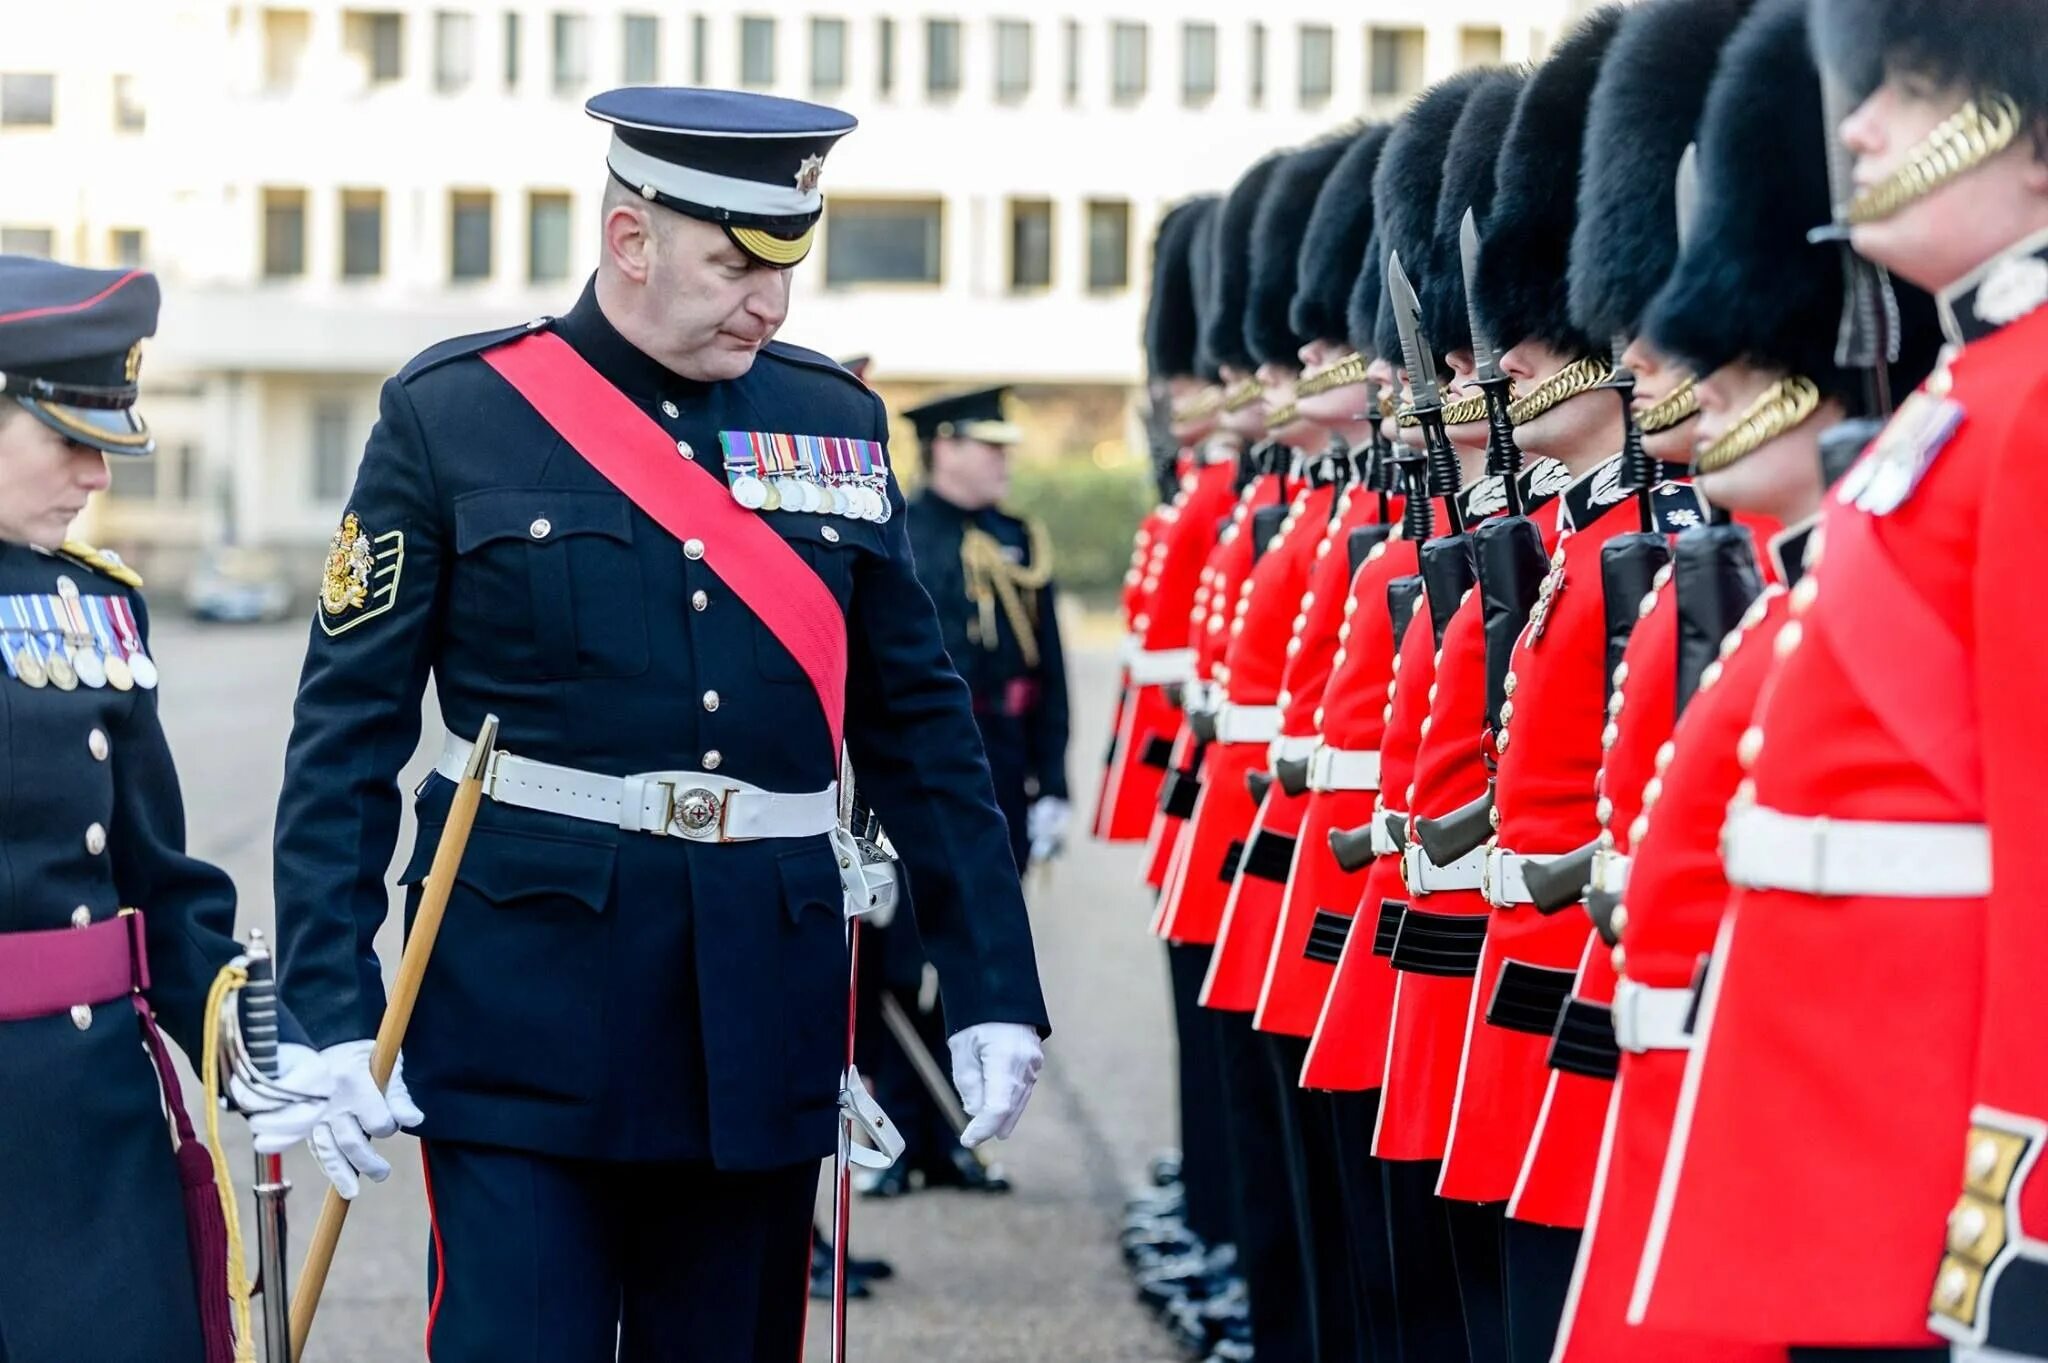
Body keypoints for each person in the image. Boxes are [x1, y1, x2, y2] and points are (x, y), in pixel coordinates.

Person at [269, 87, 1050, 1362]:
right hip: (522, 1002)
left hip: (763, 1001)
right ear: (630, 241)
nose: (770, 304)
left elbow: (917, 720)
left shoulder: (833, 422)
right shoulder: (455, 412)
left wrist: (991, 984)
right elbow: (345, 731)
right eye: (735, 264)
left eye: (786, 267)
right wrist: (331, 1004)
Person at [1630, 0, 2047, 1356]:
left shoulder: (2031, 398)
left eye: (1913, 92)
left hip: (1934, 1130)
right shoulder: (1969, 391)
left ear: (2030, 140)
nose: (1858, 126)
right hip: (1845, 1116)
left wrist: (2022, 1185)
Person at [0, 256, 325, 1362]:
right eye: (66, 438)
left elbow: (159, 875)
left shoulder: (93, 607)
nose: (96, 473)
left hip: (93, 1119)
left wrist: (249, 1047)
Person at [856, 383, 1068, 1198]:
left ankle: (951, 1134)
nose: (1001, 461)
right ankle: (903, 1126)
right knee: (903, 956)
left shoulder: (1018, 539)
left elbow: (1043, 671)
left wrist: (1053, 780)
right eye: (988, 445)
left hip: (996, 767)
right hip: (910, 776)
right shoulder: (903, 528)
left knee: (973, 947)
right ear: (942, 445)